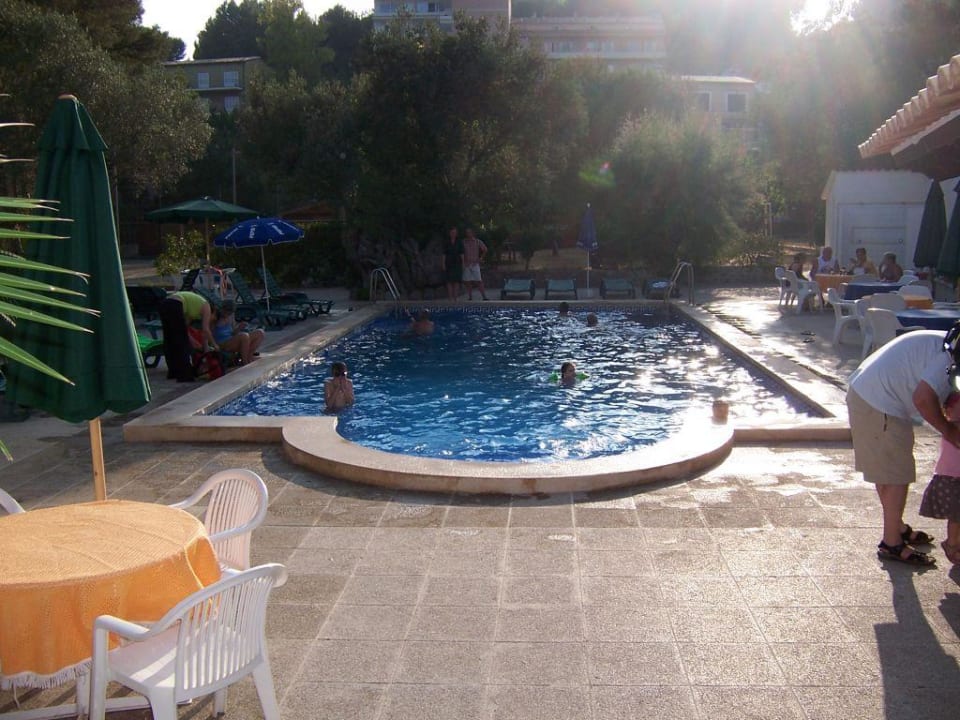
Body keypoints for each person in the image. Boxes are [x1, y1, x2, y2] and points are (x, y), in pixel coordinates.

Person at [845, 323, 960, 566]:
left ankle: (896, 528)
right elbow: (923, 399)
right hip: (878, 400)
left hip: (869, 392)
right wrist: (949, 431)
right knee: (897, 474)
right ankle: (892, 543)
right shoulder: (948, 359)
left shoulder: (948, 345)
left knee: (887, 471)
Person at [919, 390, 960, 565]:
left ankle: (955, 543)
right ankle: (952, 543)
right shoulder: (951, 428)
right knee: (956, 515)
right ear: (948, 412)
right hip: (950, 479)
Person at [159, 290, 216, 382]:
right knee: (182, 344)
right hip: (175, 304)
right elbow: (206, 329)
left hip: (165, 303)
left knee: (170, 340)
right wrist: (215, 345)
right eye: (214, 318)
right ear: (214, 312)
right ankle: (184, 375)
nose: (211, 320)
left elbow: (184, 329)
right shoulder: (207, 307)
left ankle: (173, 372)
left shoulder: (192, 309)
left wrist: (195, 342)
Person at [213, 299, 265, 366]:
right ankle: (245, 362)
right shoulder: (215, 318)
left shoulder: (230, 317)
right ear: (222, 309)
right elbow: (209, 333)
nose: (228, 314)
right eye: (227, 312)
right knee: (244, 336)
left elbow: (233, 333)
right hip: (222, 344)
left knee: (260, 332)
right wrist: (214, 345)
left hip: (231, 340)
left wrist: (240, 328)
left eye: (230, 313)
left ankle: (249, 356)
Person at [460, 227, 488, 301]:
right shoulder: (463, 242)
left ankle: (484, 296)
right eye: (467, 233)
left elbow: (485, 249)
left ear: (473, 233)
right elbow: (460, 252)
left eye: (469, 232)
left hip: (475, 264)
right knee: (467, 281)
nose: (468, 234)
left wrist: (481, 258)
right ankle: (470, 297)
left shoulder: (477, 241)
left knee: (479, 280)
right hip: (466, 264)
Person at [442, 227, 463, 301]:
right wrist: (443, 264)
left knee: (456, 281)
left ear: (456, 234)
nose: (453, 234)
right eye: (452, 232)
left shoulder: (459, 242)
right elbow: (444, 254)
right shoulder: (446, 242)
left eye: (454, 233)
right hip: (448, 263)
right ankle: (450, 298)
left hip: (457, 263)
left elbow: (462, 253)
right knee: (449, 281)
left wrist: (463, 264)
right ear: (450, 233)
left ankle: (455, 298)